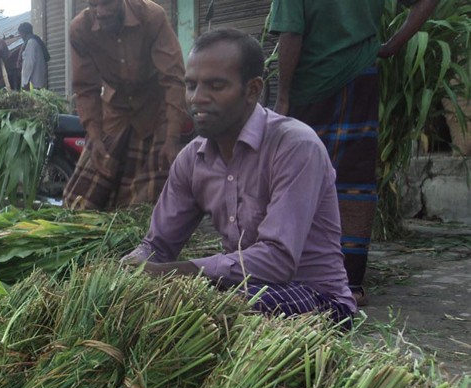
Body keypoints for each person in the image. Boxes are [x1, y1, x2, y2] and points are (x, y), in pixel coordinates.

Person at [122, 29, 356, 324]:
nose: (197, 99)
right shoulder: (191, 159)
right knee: (156, 311)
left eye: (216, 86)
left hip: (318, 299)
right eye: (191, 85)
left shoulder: (295, 146)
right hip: (242, 290)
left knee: (211, 314)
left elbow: (277, 261)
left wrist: (176, 272)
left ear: (252, 90)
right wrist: (132, 268)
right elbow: (158, 246)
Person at [269, 0, 439, 306]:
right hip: (360, 78)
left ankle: (296, 274)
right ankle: (349, 282)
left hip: (310, 86)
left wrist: (282, 98)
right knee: (353, 180)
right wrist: (390, 46)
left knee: (296, 181)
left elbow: (291, 35)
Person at [64, 0, 188, 211]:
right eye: (93, 5)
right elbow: (86, 88)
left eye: (107, 4)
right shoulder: (80, 29)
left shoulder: (152, 16)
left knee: (148, 201)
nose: (100, 13)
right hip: (114, 112)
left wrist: (172, 137)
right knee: (82, 200)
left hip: (155, 111)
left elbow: (174, 78)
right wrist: (94, 137)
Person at [17, 22, 48, 90]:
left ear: (23, 33)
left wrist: (25, 82)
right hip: (38, 81)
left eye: (20, 34)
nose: (21, 36)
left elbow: (29, 63)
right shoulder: (35, 41)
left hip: (34, 83)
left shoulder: (31, 43)